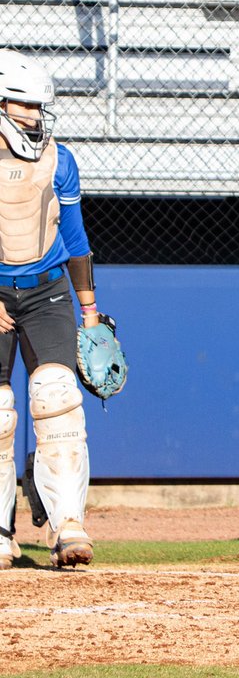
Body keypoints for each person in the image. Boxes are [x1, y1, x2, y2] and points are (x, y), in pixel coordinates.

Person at [0, 49, 107, 569]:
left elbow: (75, 236)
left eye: (39, 109)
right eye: (25, 108)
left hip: (47, 289)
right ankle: (1, 532)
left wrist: (90, 310)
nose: (35, 118)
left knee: (57, 395)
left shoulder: (59, 159)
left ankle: (68, 524)